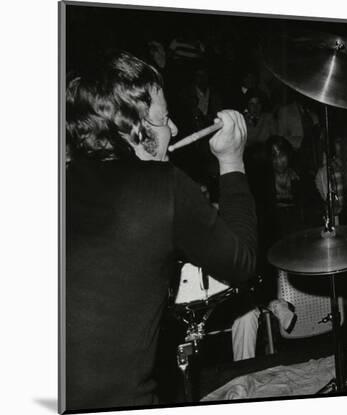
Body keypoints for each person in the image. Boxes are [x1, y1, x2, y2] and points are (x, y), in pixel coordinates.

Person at [65, 50, 257, 410]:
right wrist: (232, 161)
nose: (175, 130)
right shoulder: (162, 186)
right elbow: (242, 262)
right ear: (132, 128)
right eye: (164, 118)